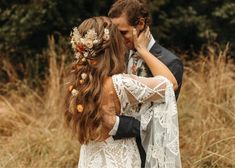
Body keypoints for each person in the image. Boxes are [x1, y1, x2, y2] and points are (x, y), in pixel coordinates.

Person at [65, 16, 181, 168]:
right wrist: (143, 50)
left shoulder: (79, 84)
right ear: (113, 45)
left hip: (90, 159)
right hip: (120, 160)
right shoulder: (119, 84)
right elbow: (170, 84)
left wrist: (114, 122)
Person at [106, 0, 184, 167]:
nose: (117, 40)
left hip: (147, 153)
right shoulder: (117, 57)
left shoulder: (171, 63)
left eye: (123, 32)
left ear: (140, 24)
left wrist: (111, 124)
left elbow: (157, 120)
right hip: (116, 152)